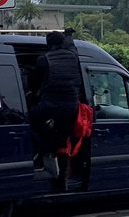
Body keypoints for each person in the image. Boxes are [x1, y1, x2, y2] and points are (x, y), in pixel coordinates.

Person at [29, 31, 80, 190]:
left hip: (50, 106)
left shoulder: (44, 60)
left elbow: (33, 84)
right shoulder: (73, 56)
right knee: (63, 141)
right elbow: (72, 45)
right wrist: (69, 34)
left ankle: (41, 152)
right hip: (72, 107)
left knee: (29, 120)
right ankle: (62, 178)